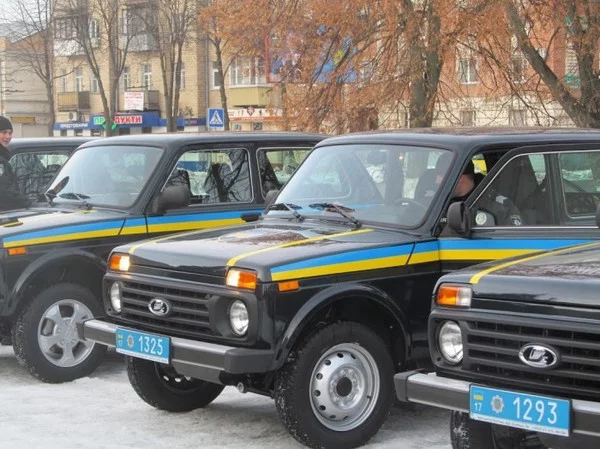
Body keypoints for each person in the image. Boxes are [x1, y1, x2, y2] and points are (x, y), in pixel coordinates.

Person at [0, 116, 29, 211]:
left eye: (10, 133)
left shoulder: (4, 155)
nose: (8, 137)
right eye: (4, 132)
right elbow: (4, 193)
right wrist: (28, 203)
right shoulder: (1, 161)